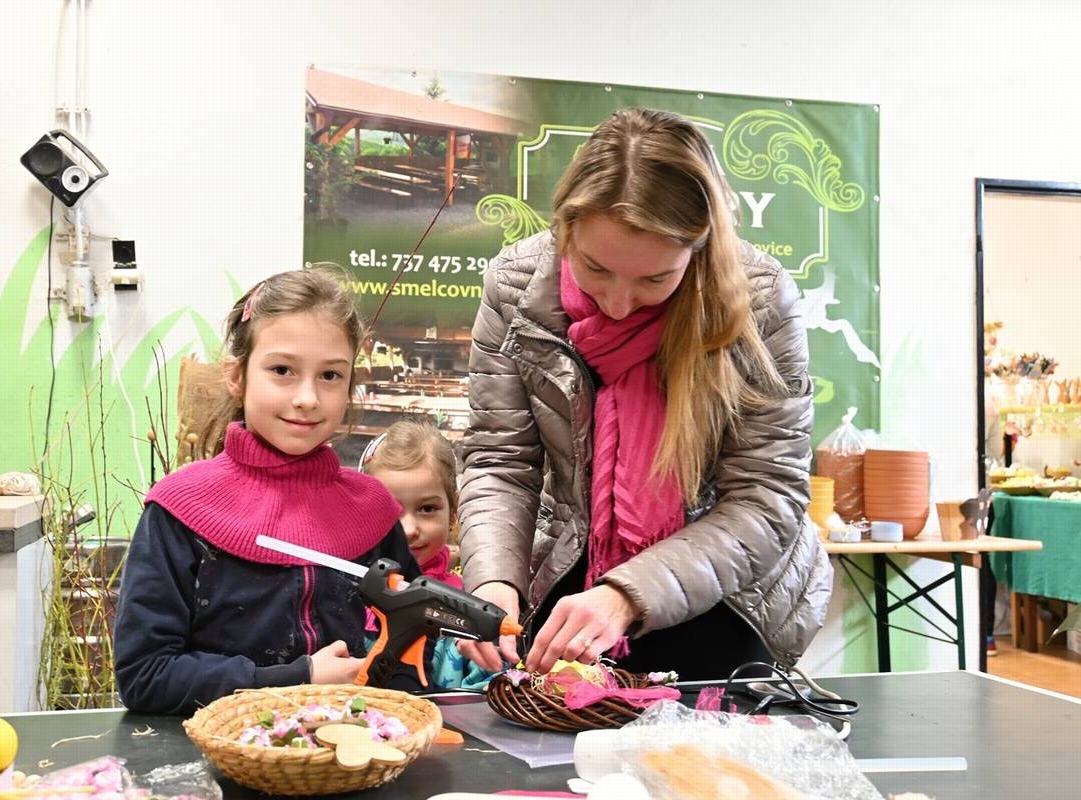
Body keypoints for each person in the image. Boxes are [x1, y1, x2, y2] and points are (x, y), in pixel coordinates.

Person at [456, 107, 832, 680]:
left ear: (698, 249)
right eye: (595, 268)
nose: (619, 303)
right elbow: (501, 462)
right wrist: (493, 582)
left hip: (726, 600)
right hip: (569, 594)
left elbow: (767, 496)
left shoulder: (758, 302)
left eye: (656, 279)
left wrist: (627, 594)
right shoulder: (516, 287)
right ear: (565, 227)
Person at [113, 269, 422, 714]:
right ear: (236, 376)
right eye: (282, 370)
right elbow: (146, 676)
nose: (307, 398)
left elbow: (409, 636)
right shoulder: (178, 508)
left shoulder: (372, 510)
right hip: (210, 760)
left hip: (349, 752)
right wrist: (300, 679)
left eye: (331, 376)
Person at [360, 419, 493, 689]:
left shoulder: (470, 606)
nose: (408, 529)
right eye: (391, 510)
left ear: (453, 514)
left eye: (427, 509)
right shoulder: (347, 603)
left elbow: (486, 693)